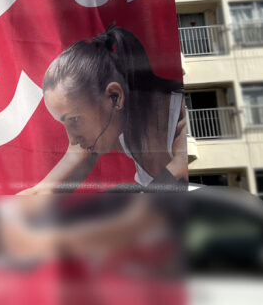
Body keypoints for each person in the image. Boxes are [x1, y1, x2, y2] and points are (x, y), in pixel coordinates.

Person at [24, 24, 188, 195]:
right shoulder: (108, 126)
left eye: (74, 119)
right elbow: (44, 191)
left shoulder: (183, 119)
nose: (72, 140)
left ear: (114, 97)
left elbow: (179, 176)